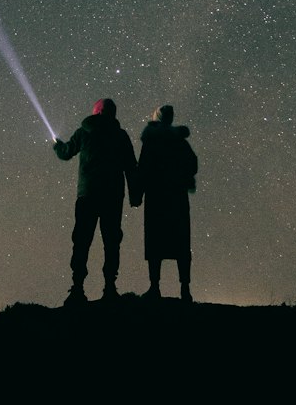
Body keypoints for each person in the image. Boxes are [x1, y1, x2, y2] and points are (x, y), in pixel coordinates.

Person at [54, 98, 141, 305]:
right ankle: (110, 288)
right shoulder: (120, 135)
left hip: (88, 195)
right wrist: (135, 195)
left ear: (97, 111)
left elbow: (66, 153)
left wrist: (57, 146)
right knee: (112, 242)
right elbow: (131, 166)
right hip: (113, 195)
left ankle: (77, 289)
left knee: (82, 240)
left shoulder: (84, 131)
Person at [138, 105, 198, 303]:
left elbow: (143, 167)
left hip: (156, 197)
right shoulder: (180, 142)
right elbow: (193, 163)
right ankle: (185, 290)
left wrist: (137, 192)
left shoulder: (151, 140)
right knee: (181, 243)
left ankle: (154, 288)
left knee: (155, 243)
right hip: (177, 197)